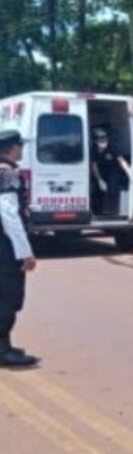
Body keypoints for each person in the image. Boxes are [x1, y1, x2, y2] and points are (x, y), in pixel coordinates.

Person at [0, 130, 38, 367]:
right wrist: (25, 252)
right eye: (20, 146)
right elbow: (9, 214)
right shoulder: (8, 174)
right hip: (5, 248)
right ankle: (3, 350)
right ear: (12, 148)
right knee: (8, 297)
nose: (22, 150)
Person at [90, 127, 131, 217]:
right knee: (96, 190)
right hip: (100, 173)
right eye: (101, 139)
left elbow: (121, 161)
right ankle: (99, 212)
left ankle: (113, 211)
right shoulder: (93, 150)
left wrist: (129, 172)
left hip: (113, 171)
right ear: (96, 141)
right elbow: (94, 166)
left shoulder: (112, 147)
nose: (103, 141)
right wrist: (99, 180)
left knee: (112, 188)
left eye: (105, 139)